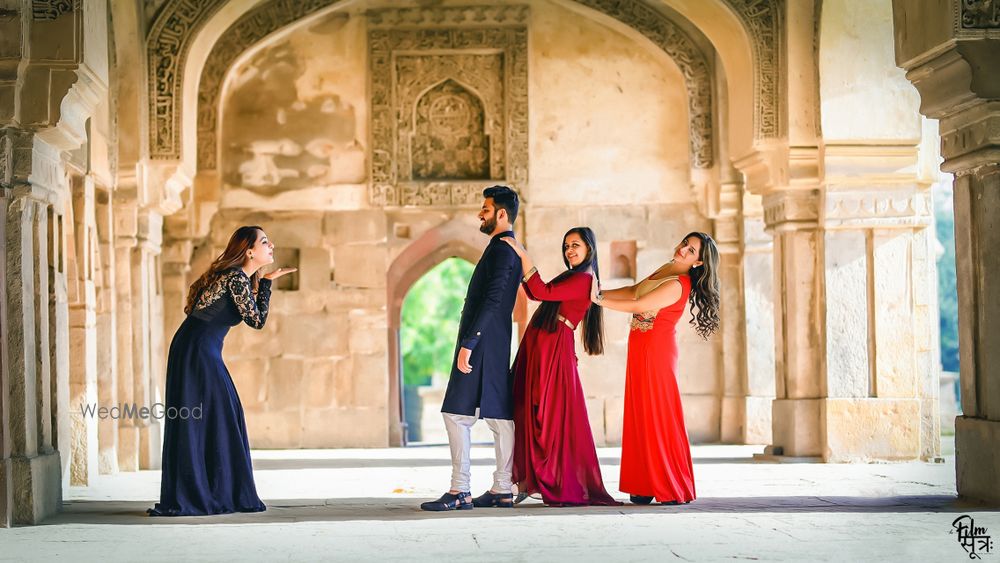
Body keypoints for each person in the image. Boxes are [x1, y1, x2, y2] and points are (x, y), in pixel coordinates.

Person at [148, 226, 296, 516]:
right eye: (265, 241)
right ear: (249, 250)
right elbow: (256, 320)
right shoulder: (236, 278)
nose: (272, 245)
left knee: (219, 414)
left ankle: (212, 489)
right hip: (197, 350)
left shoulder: (237, 277)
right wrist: (266, 284)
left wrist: (263, 282)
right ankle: (205, 493)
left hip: (196, 348)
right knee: (219, 413)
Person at [593, 232, 720, 506]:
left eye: (691, 250)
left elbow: (638, 305)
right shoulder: (666, 269)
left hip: (657, 353)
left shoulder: (679, 283)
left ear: (698, 262)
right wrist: (598, 292)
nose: (683, 249)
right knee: (640, 413)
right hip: (640, 349)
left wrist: (598, 301)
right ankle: (643, 484)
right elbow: (633, 291)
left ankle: (670, 484)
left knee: (658, 413)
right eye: (685, 243)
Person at [420, 186, 523, 511]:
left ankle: (460, 490)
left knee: (456, 414)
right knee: (498, 416)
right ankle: (501, 488)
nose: (481, 214)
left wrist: (470, 342)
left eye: (486, 208)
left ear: (501, 214)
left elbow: (494, 301)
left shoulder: (502, 250)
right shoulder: (505, 248)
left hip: (483, 344)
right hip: (492, 343)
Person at [501, 227, 620, 506]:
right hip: (542, 346)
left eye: (575, 245)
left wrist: (523, 254)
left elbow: (540, 291)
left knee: (549, 415)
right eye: (566, 245)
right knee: (529, 409)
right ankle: (530, 479)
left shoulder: (583, 279)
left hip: (553, 349)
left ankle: (554, 480)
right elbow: (534, 293)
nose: (570, 250)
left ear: (589, 248)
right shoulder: (573, 276)